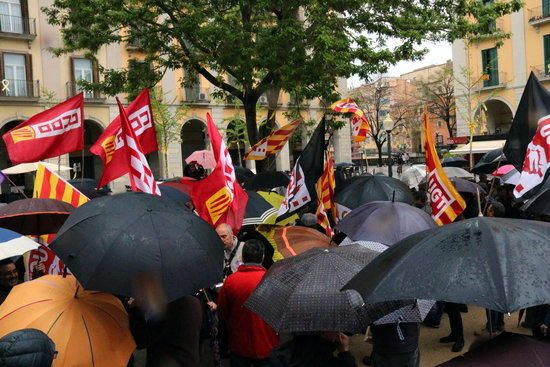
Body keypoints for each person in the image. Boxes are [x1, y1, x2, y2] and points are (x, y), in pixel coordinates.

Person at [214, 239, 279, 367]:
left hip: (239, 346)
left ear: (243, 257)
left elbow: (222, 313)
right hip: (267, 345)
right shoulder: (271, 280)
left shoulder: (231, 281)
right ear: (263, 257)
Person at [269, 332, 357, 367]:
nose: (338, 332)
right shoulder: (327, 361)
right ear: (325, 333)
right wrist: (345, 352)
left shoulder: (280, 353)